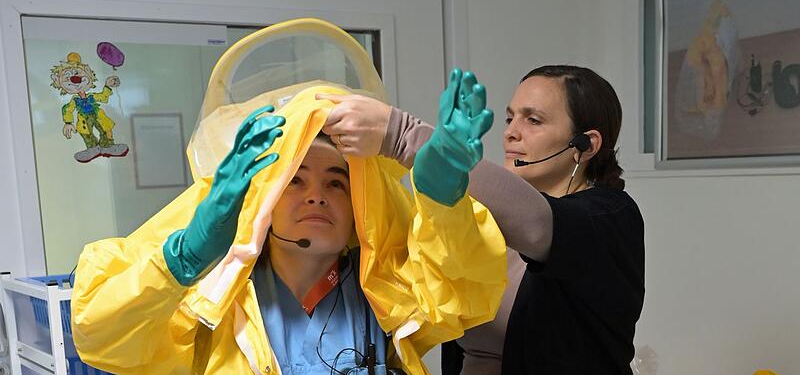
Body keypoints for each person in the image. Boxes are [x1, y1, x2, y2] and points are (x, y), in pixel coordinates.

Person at [71, 77, 506, 375]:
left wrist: (443, 200)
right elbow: (101, 337)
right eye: (294, 180)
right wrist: (182, 260)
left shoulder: (388, 288)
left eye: (336, 183)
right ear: (263, 201)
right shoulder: (212, 298)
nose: (315, 195)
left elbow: (463, 288)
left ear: (360, 206)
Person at [319, 65, 645, 374]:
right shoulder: (484, 218)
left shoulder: (610, 218)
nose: (511, 134)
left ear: (586, 146)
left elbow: (538, 224)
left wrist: (402, 135)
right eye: (509, 118)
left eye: (533, 120)